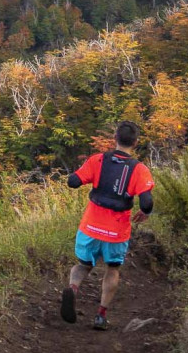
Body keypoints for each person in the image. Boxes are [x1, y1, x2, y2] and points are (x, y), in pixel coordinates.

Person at [60, 121, 154, 331]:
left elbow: (73, 181)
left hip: (90, 227)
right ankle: (101, 316)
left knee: (83, 265)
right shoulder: (139, 169)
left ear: (115, 137)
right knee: (112, 269)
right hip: (116, 231)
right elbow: (146, 202)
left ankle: (73, 288)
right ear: (136, 143)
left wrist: (82, 174)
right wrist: (145, 212)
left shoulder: (98, 160)